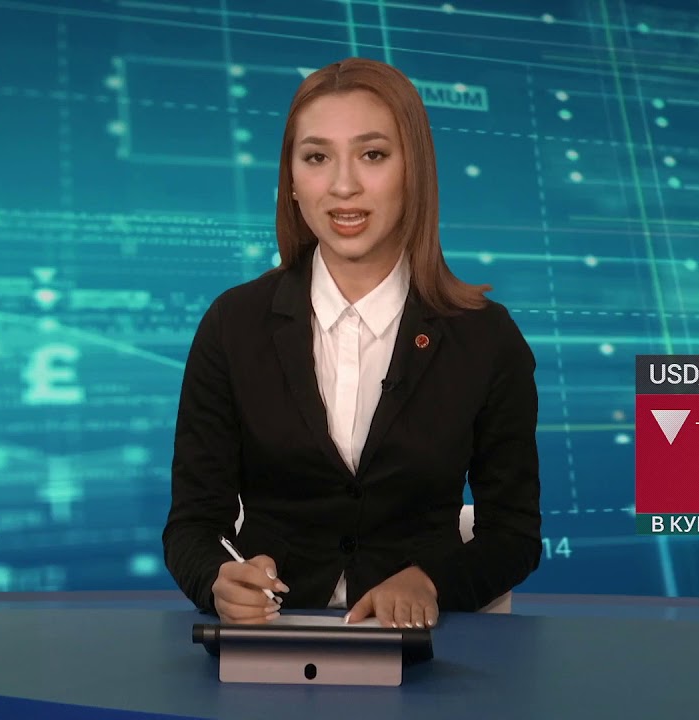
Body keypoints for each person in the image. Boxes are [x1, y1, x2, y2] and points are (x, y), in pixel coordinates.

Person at [162, 57, 541, 629]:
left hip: (425, 652)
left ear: (414, 171)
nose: (343, 186)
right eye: (317, 158)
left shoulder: (486, 338)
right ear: (292, 181)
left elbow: (513, 535)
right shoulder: (232, 324)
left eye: (373, 155)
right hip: (269, 643)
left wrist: (431, 581)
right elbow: (193, 524)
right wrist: (217, 578)